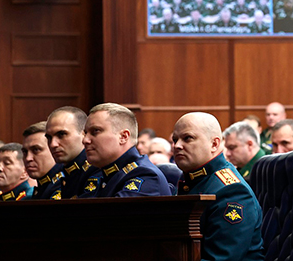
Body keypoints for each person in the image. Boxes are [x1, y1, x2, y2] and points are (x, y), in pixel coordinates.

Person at [173, 112, 265, 260]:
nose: (177, 145)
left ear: (214, 144)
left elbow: (221, 258)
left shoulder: (231, 191)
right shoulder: (192, 181)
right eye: (175, 139)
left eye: (187, 138)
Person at [82, 103, 171, 197]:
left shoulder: (145, 176)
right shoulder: (101, 173)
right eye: (86, 133)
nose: (85, 140)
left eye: (95, 131)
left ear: (123, 137)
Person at [46, 106, 100, 199]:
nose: (53, 144)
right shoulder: (64, 172)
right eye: (49, 138)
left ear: (83, 135)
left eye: (61, 134)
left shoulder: (95, 169)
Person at [22, 122, 63, 200]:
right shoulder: (43, 186)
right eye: (25, 152)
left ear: (53, 149)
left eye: (36, 150)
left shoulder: (63, 185)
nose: (28, 158)